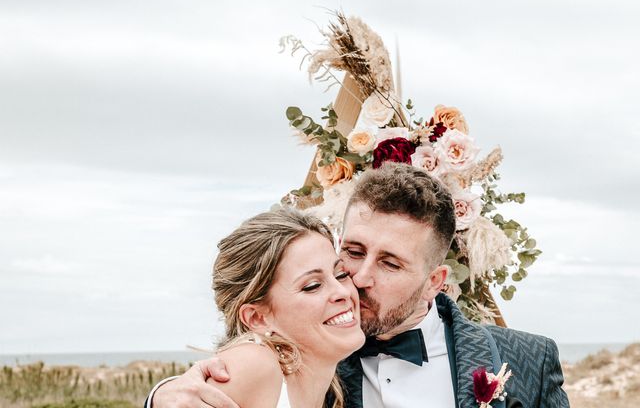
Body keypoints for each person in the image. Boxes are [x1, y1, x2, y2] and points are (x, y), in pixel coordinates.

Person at [148, 163, 569, 408]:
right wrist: (163, 397)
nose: (358, 279)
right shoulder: (307, 354)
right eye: (352, 251)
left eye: (390, 263)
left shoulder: (527, 359)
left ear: (434, 282)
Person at [146, 209, 365, 408]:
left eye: (341, 274)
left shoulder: (328, 384)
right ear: (257, 318)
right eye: (312, 286)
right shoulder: (254, 364)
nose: (343, 292)